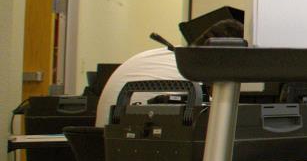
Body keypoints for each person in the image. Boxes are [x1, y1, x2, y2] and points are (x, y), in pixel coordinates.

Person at [93, 19, 246, 127]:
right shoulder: (192, 75)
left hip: (105, 148)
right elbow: (220, 128)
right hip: (149, 159)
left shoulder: (156, 54)